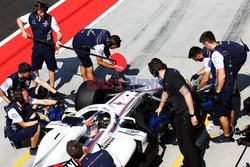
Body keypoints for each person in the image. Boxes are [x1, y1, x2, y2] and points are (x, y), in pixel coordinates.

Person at [148, 58, 202, 167]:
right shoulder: (166, 78)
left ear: (154, 71)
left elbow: (187, 94)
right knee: (181, 141)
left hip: (187, 112)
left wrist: (192, 115)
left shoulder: (172, 77)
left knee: (188, 144)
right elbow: (165, 92)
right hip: (179, 112)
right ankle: (187, 162)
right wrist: (160, 107)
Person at [199, 31, 248, 143]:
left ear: (207, 42)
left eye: (204, 44)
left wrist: (217, 91)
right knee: (229, 106)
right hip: (230, 85)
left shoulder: (216, 54)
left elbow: (221, 75)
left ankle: (226, 135)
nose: (204, 47)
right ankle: (230, 126)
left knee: (221, 113)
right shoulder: (224, 50)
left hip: (223, 87)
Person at [17, 1, 63, 88]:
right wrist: (23, 31)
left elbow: (59, 33)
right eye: (40, 12)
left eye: (44, 12)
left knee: (51, 68)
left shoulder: (51, 19)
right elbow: (19, 20)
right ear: (36, 11)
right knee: (34, 69)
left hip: (48, 48)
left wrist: (58, 40)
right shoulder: (30, 16)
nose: (43, 14)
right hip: (37, 47)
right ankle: (36, 87)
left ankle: (52, 87)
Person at [0, 62, 65, 105]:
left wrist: (55, 92)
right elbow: (1, 91)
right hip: (16, 99)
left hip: (25, 94)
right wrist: (10, 103)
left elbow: (41, 82)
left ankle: (34, 105)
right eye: (29, 72)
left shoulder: (30, 74)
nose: (31, 73)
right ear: (23, 73)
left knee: (42, 89)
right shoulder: (11, 80)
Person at [5, 89, 41, 155]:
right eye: (27, 96)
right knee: (36, 127)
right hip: (14, 133)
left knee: (34, 116)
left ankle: (23, 140)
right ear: (21, 99)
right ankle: (33, 149)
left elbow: (40, 103)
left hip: (19, 126)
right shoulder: (12, 110)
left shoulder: (22, 103)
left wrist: (55, 102)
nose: (29, 97)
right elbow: (24, 125)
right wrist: (37, 122)